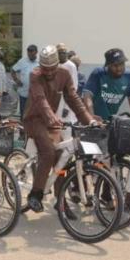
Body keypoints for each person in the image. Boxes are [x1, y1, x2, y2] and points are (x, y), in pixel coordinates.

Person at [22, 45, 96, 213]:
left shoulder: (64, 73)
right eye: (45, 69)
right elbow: (40, 100)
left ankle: (60, 200)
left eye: (52, 69)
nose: (48, 73)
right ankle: (35, 194)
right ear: (40, 66)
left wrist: (89, 121)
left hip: (52, 120)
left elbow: (73, 99)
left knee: (62, 157)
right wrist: (51, 118)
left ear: (59, 64)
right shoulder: (35, 74)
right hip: (34, 119)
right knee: (48, 152)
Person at [82, 48, 130, 122]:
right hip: (92, 121)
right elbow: (87, 95)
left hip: (110, 122)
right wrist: (91, 117)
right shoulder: (98, 73)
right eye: (115, 65)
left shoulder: (128, 76)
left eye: (122, 64)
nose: (119, 68)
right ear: (108, 65)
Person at [55, 43, 79, 132]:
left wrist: (67, 107)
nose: (62, 54)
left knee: (66, 130)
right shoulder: (55, 65)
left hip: (66, 102)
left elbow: (74, 87)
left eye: (64, 52)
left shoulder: (71, 66)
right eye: (60, 52)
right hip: (55, 101)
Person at [11, 45, 39, 116]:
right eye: (28, 51)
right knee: (23, 113)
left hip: (35, 94)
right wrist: (16, 79)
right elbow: (13, 70)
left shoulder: (40, 63)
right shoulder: (22, 61)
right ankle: (22, 126)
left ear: (36, 52)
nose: (29, 53)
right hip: (23, 93)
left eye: (31, 51)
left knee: (33, 114)